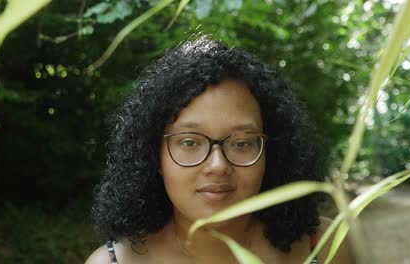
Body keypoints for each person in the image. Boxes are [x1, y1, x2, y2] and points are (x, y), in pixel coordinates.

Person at [86, 36, 353, 263]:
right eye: (190, 142)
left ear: (271, 152)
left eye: (241, 143)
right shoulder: (113, 262)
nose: (218, 166)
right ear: (155, 155)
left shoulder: (327, 247)